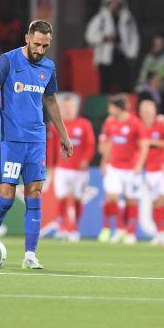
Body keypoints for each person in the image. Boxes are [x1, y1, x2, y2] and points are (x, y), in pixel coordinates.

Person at [0, 20, 72, 270]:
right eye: (36, 44)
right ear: (27, 38)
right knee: (6, 198)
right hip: (11, 139)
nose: (40, 50)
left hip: (36, 139)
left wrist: (63, 135)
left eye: (45, 46)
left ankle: (30, 255)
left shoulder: (48, 67)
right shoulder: (8, 60)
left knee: (34, 193)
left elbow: (50, 101)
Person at [45, 93, 96, 241]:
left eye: (71, 107)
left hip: (79, 170)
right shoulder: (56, 125)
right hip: (62, 168)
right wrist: (51, 166)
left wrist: (86, 159)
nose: (68, 109)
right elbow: (51, 148)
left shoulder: (84, 124)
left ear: (76, 108)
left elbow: (90, 144)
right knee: (61, 197)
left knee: (78, 198)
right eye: (66, 107)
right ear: (61, 108)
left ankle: (74, 228)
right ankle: (61, 228)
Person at [97, 95, 144, 244]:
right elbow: (109, 144)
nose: (109, 110)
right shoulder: (109, 122)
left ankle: (131, 232)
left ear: (118, 108)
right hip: (114, 166)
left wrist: (139, 164)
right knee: (112, 197)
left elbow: (144, 145)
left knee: (131, 200)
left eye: (111, 107)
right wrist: (104, 161)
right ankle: (118, 227)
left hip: (131, 168)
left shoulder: (135, 123)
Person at [85, 0, 140, 93]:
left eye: (116, 2)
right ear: (107, 2)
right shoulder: (101, 18)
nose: (114, 5)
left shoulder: (127, 18)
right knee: (105, 85)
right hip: (105, 57)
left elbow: (134, 36)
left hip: (122, 54)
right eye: (112, 2)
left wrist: (132, 53)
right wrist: (104, 38)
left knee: (124, 84)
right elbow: (90, 35)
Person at [136, 98, 164, 245]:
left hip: (162, 168)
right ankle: (160, 232)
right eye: (144, 110)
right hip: (149, 169)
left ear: (155, 111)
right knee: (155, 202)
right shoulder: (138, 126)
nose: (146, 113)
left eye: (149, 110)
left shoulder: (161, 124)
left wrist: (152, 142)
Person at [136, 33, 164, 102]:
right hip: (150, 84)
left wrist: (161, 78)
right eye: (155, 44)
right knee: (139, 89)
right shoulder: (149, 57)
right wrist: (145, 83)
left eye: (159, 44)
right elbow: (143, 74)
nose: (157, 46)